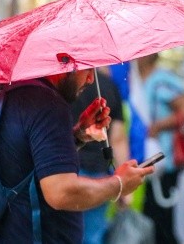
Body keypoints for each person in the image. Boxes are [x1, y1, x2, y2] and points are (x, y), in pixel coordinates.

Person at [0, 68, 154, 243]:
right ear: (65, 63)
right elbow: (60, 192)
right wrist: (119, 184)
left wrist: (77, 135)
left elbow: (28, 159)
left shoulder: (13, 94)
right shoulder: (47, 104)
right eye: (86, 68)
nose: (91, 79)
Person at [132, 53, 184, 244]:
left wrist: (158, 126)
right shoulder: (133, 79)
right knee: (148, 214)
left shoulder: (162, 79)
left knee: (161, 218)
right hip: (141, 157)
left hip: (163, 158)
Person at [70, 67, 129, 244]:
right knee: (93, 236)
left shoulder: (64, 85)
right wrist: (122, 181)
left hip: (66, 170)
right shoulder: (109, 86)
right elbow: (117, 139)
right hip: (98, 173)